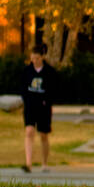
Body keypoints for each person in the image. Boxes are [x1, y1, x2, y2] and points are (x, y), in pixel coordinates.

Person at [21, 43, 58, 173]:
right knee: (29, 131)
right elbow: (23, 89)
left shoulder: (49, 72)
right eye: (33, 58)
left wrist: (46, 102)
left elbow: (53, 90)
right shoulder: (27, 71)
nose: (35, 61)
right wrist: (25, 101)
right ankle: (28, 163)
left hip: (43, 108)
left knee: (43, 135)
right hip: (30, 106)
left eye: (37, 58)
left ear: (42, 57)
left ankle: (44, 163)